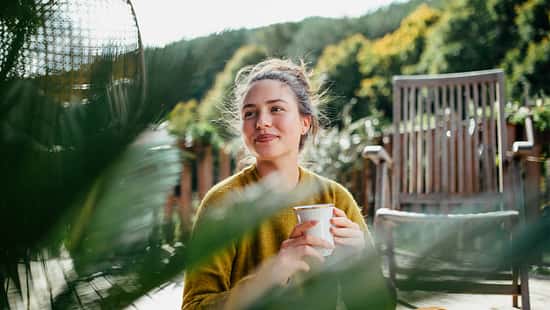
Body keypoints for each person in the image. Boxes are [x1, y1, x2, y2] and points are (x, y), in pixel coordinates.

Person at [181, 58, 395, 309]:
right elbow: (194, 306)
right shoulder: (223, 202)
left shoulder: (335, 198)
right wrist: (270, 276)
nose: (261, 122)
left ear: (305, 122)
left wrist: (360, 261)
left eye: (276, 109)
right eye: (250, 113)